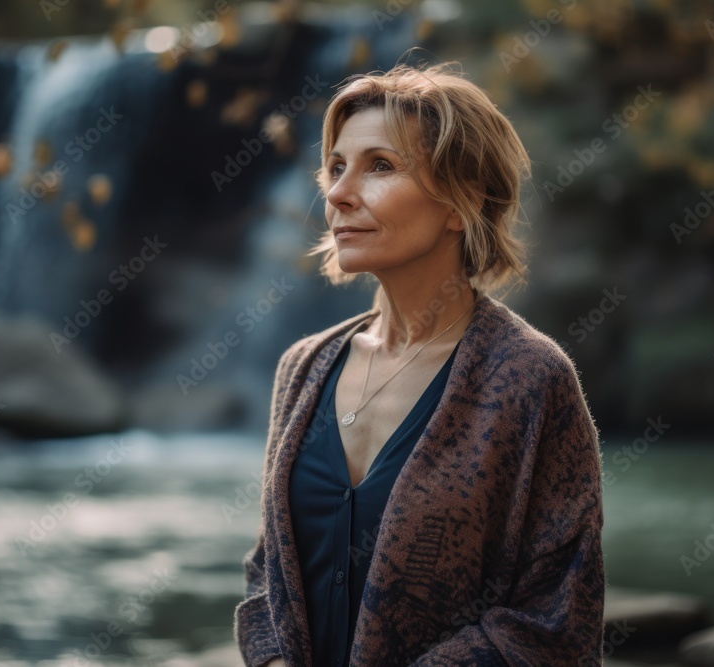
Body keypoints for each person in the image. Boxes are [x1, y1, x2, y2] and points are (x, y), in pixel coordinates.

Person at [233, 61, 605, 667]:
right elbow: (268, 575)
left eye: (380, 166)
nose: (337, 194)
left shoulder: (531, 381)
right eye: (334, 168)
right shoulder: (303, 368)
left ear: (463, 202)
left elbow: (554, 623)